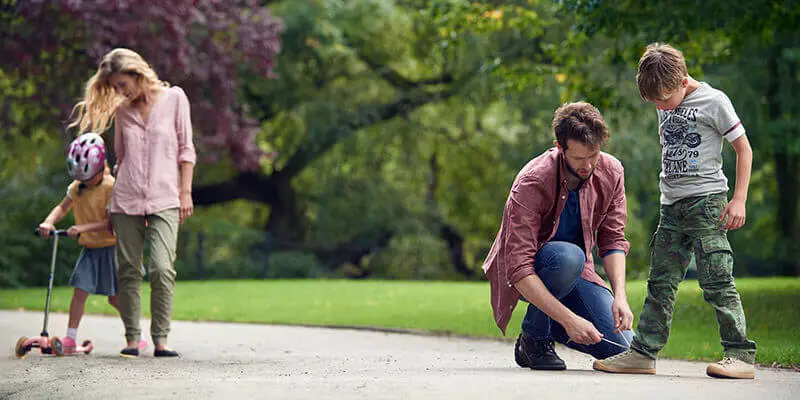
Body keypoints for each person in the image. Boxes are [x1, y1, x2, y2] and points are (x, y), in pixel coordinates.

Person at [593, 43, 757, 379]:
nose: (659, 106)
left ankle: (740, 355)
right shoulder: (662, 94)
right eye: (652, 101)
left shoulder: (715, 101)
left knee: (716, 278)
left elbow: (744, 148)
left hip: (707, 203)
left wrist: (738, 199)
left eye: (663, 100)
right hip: (671, 206)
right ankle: (643, 353)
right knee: (660, 282)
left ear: (683, 81)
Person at [482, 101, 634, 370]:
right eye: (579, 158)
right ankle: (535, 339)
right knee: (568, 257)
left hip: (578, 273)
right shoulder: (532, 180)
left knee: (624, 349)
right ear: (559, 147)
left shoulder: (612, 172)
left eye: (594, 155)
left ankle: (553, 324)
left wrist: (620, 296)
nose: (588, 165)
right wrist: (569, 319)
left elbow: (613, 239)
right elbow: (518, 267)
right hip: (538, 270)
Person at [70, 48, 196, 358]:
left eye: (122, 85)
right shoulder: (123, 111)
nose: (118, 92)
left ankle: (161, 340)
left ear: (138, 75)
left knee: (162, 269)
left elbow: (186, 150)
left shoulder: (175, 99)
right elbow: (121, 159)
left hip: (165, 197)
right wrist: (110, 205)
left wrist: (186, 192)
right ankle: (132, 338)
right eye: (113, 87)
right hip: (125, 201)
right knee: (127, 270)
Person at [37, 133, 147, 353]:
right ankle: (70, 337)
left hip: (111, 249)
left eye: (88, 178)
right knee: (79, 291)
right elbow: (62, 207)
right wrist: (48, 222)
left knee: (116, 299)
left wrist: (82, 228)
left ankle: (136, 334)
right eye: (81, 179)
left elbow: (111, 223)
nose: (84, 183)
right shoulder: (76, 188)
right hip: (90, 250)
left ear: (100, 167)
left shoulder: (110, 186)